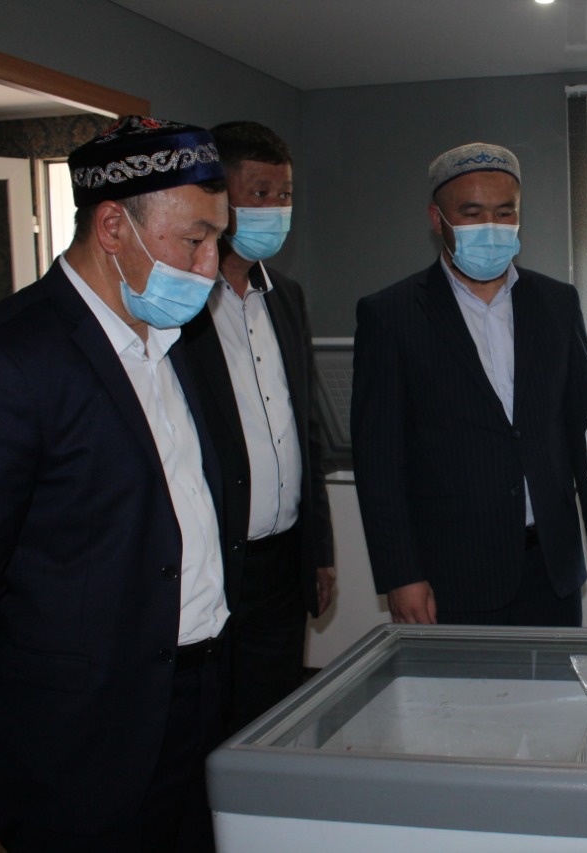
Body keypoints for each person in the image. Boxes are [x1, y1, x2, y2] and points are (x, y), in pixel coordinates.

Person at [0, 116, 230, 851]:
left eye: (218, 241)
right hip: (80, 735)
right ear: (112, 227)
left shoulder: (173, 340)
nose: (210, 267)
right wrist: (37, 690)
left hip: (195, 699)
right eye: (194, 240)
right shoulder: (7, 361)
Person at [351, 142, 587, 626]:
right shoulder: (391, 314)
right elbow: (379, 462)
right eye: (472, 213)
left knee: (554, 679)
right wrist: (400, 573)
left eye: (504, 212)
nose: (491, 226)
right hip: (451, 573)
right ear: (438, 219)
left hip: (551, 568)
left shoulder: (557, 303)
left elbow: (583, 432)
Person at [182, 121, 334, 734]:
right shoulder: (182, 304)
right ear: (219, 198)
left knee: (273, 722)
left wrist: (318, 550)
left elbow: (305, 432)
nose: (275, 208)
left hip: (284, 561)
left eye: (284, 194)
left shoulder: (285, 296)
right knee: (208, 726)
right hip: (216, 562)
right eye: (260, 193)